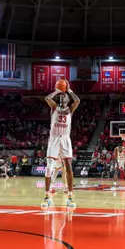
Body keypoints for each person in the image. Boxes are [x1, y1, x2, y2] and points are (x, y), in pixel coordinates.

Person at [41, 80, 80, 209]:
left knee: (68, 166)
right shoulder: (54, 107)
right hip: (54, 139)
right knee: (49, 167)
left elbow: (78, 101)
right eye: (61, 97)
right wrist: (58, 91)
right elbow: (47, 98)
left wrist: (69, 91)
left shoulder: (70, 109)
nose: (63, 99)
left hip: (65, 139)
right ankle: (47, 197)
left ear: (68, 100)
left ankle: (70, 196)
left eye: (65, 97)